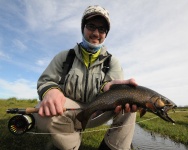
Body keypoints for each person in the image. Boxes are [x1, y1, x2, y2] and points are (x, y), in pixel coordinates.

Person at [34, 5, 138, 150]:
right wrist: (51, 91)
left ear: (106, 34)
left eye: (102, 29)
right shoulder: (64, 57)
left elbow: (108, 87)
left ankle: (112, 147)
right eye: (91, 26)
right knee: (42, 109)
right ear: (83, 28)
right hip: (70, 111)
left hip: (99, 111)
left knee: (129, 107)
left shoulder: (113, 62)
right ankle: (70, 143)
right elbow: (46, 81)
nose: (96, 33)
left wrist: (110, 89)